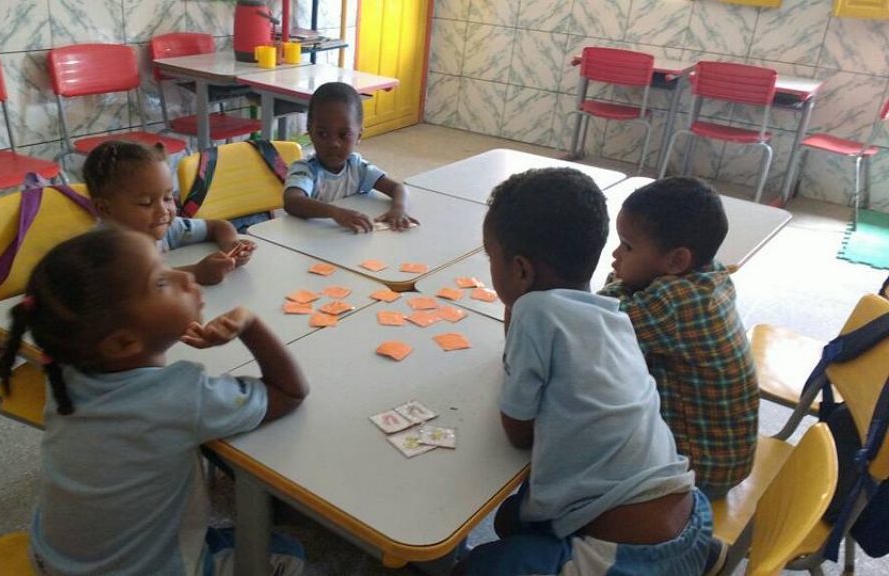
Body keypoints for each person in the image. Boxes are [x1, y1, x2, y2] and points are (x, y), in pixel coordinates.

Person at [454, 168, 722, 576]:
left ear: (522, 270)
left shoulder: (534, 311)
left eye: (492, 258)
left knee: (473, 568)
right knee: (511, 518)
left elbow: (518, 432)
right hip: (689, 514)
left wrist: (517, 304)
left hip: (628, 559)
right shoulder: (614, 312)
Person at [0, 227, 309, 575]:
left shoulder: (64, 371)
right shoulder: (182, 396)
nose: (185, 277)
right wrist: (249, 323)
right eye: (161, 282)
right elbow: (290, 392)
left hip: (51, 561)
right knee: (289, 552)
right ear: (122, 343)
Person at [598, 177, 759, 499]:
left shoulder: (675, 303)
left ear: (677, 261)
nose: (615, 254)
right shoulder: (711, 273)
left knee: (583, 450)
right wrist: (624, 274)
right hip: (727, 456)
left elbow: (597, 320)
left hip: (700, 471)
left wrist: (616, 280)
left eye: (627, 246)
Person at [83, 140, 256, 285]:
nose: (163, 211)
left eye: (167, 198)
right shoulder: (101, 248)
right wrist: (196, 273)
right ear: (105, 209)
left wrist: (231, 245)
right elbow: (135, 283)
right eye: (146, 203)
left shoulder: (168, 228)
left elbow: (218, 226)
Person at [282, 81, 417, 233]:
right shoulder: (306, 169)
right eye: (323, 134)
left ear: (359, 135)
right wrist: (334, 212)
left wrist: (398, 209)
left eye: (343, 135)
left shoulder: (357, 167)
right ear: (310, 132)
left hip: (347, 239)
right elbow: (292, 201)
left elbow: (398, 188)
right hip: (308, 239)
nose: (333, 143)